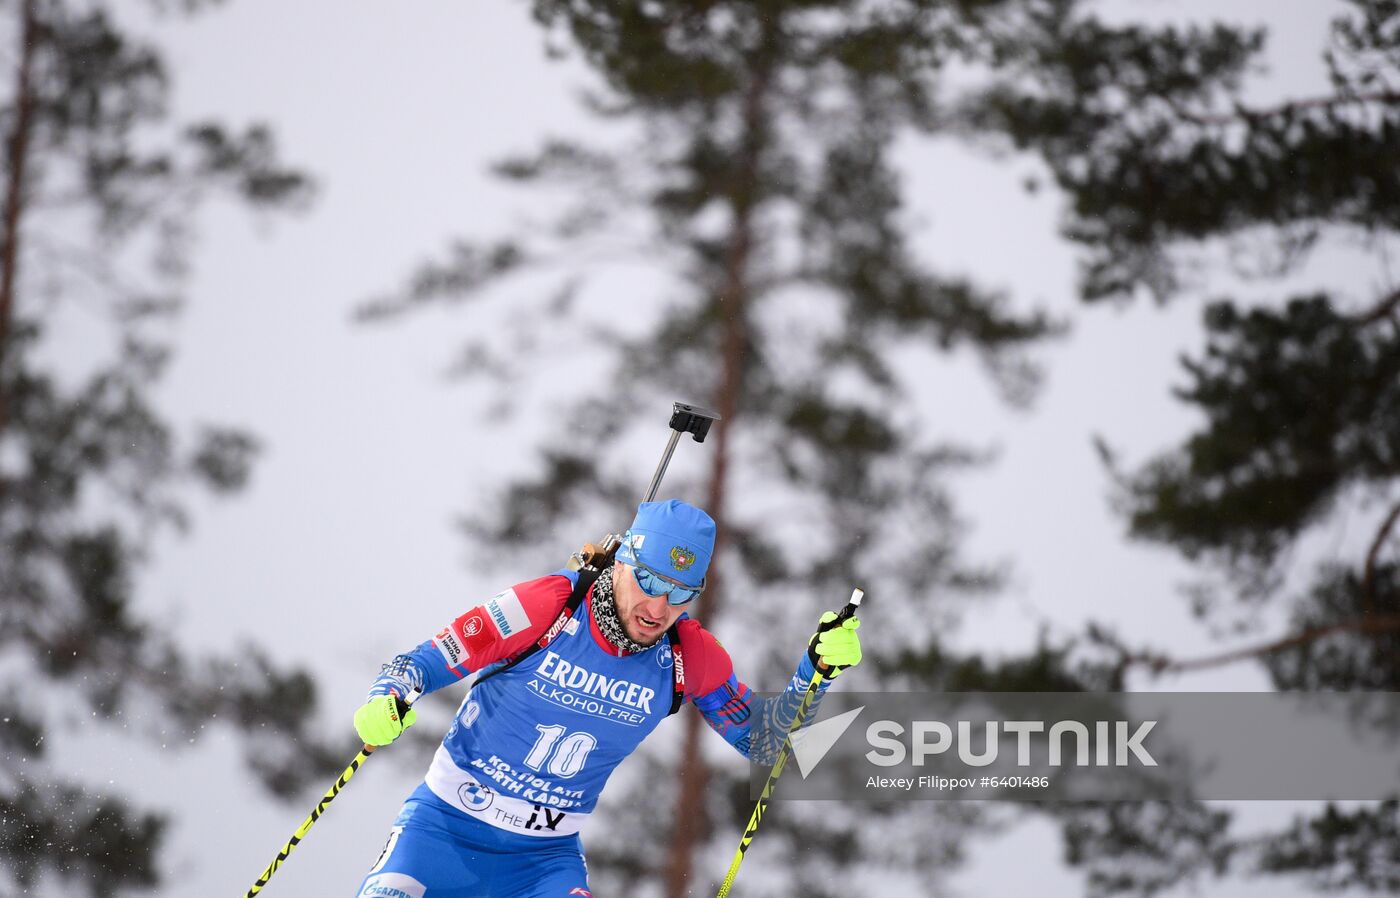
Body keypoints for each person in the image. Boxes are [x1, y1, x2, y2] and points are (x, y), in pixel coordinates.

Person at [350, 499, 862, 898]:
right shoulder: (547, 606)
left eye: (680, 592)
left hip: (542, 863)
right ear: (622, 561)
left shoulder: (688, 655)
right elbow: (422, 661)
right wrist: (388, 698)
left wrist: (814, 670)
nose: (658, 607)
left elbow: (769, 746)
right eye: (648, 580)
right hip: (441, 832)